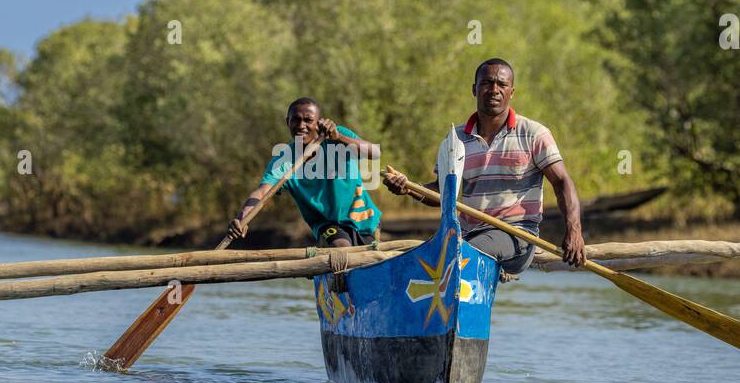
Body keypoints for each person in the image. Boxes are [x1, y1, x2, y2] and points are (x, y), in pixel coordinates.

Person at [383, 58, 586, 273]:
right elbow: (443, 193)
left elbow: (562, 182)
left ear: (512, 92)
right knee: (420, 262)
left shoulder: (534, 134)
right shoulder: (456, 139)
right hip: (467, 237)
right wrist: (409, 188)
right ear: (475, 89)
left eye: (502, 84)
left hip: (517, 236)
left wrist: (574, 231)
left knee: (461, 256)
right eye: (487, 83)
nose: (494, 90)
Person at [228, 98, 383, 248]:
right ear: (287, 122)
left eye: (308, 120)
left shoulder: (337, 137)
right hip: (328, 224)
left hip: (364, 219)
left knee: (374, 260)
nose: (301, 126)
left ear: (318, 123)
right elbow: (262, 192)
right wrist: (242, 218)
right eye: (296, 119)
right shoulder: (284, 160)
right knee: (341, 247)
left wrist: (339, 137)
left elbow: (375, 153)